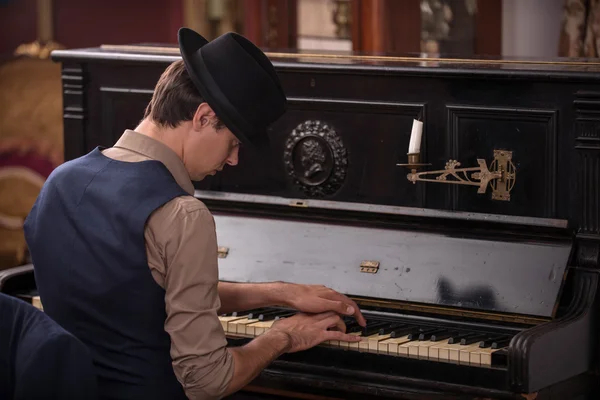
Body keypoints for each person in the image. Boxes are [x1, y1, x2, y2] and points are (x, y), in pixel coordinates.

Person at [23, 27, 365, 400]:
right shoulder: (183, 214)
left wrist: (279, 293)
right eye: (233, 142)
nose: (233, 159)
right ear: (203, 117)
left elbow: (141, 291)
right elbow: (207, 381)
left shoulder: (59, 181)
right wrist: (284, 335)